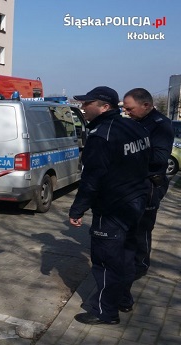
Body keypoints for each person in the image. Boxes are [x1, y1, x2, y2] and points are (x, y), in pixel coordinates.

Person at [69, 86, 150, 325]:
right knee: (125, 257)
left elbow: (92, 180)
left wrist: (77, 209)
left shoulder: (102, 135)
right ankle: (122, 299)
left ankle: (105, 311)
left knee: (106, 263)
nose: (83, 107)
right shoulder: (136, 127)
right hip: (135, 204)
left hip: (112, 208)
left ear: (104, 107)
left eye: (88, 103)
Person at [122, 88, 174, 280]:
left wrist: (128, 152)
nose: (127, 112)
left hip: (150, 184)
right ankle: (129, 261)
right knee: (130, 226)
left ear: (146, 105)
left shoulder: (160, 124)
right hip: (134, 182)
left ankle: (140, 265)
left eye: (130, 109)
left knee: (142, 227)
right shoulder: (137, 121)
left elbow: (160, 158)